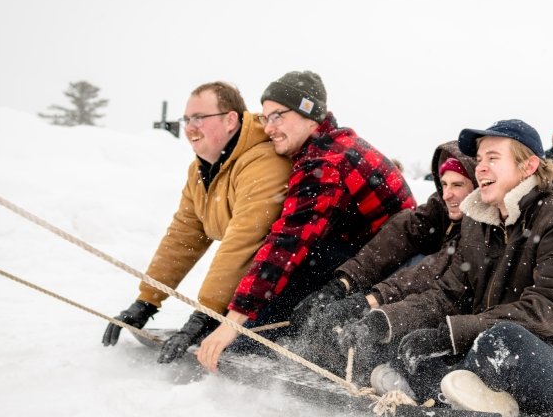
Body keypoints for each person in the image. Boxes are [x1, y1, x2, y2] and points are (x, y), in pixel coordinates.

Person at [337, 119, 553, 417]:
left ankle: (441, 388)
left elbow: (544, 313)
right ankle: (456, 390)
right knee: (409, 341)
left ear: (528, 166)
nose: (480, 168)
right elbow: (446, 294)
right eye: (479, 160)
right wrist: (385, 321)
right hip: (485, 345)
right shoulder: (480, 221)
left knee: (502, 342)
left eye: (493, 158)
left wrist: (448, 336)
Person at [194, 71, 416, 372]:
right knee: (298, 270)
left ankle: (273, 341)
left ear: (309, 114)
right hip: (359, 257)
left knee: (296, 266)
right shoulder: (323, 146)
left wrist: (234, 322)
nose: (269, 128)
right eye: (265, 118)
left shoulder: (326, 162)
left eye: (278, 117)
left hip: (391, 273)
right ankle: (266, 332)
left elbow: (287, 244)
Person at [101, 82, 292, 361]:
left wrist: (205, 316)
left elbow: (243, 243)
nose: (190, 127)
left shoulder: (263, 164)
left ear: (230, 120)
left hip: (296, 280)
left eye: (200, 118)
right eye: (187, 119)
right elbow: (183, 236)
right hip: (254, 287)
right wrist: (147, 300)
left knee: (245, 345)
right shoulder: (201, 170)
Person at [291, 141, 477, 376]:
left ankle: (373, 355)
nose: (448, 193)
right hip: (419, 296)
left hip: (453, 308)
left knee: (414, 269)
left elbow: (433, 272)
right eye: (444, 185)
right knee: (400, 242)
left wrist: (368, 302)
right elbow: (399, 234)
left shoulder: (478, 227)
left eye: (458, 185)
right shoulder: (441, 206)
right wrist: (343, 284)